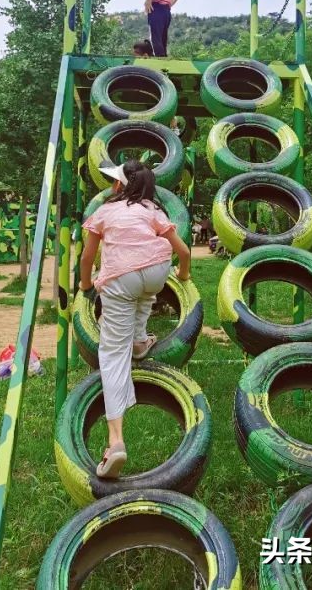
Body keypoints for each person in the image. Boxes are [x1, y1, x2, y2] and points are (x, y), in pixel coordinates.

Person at [78, 159, 191, 478]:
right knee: (143, 293)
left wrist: (87, 285)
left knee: (113, 354)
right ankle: (140, 340)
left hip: (121, 278)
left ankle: (115, 443)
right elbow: (183, 251)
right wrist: (182, 276)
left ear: (119, 186)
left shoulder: (105, 212)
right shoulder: (153, 211)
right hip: (156, 272)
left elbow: (88, 257)